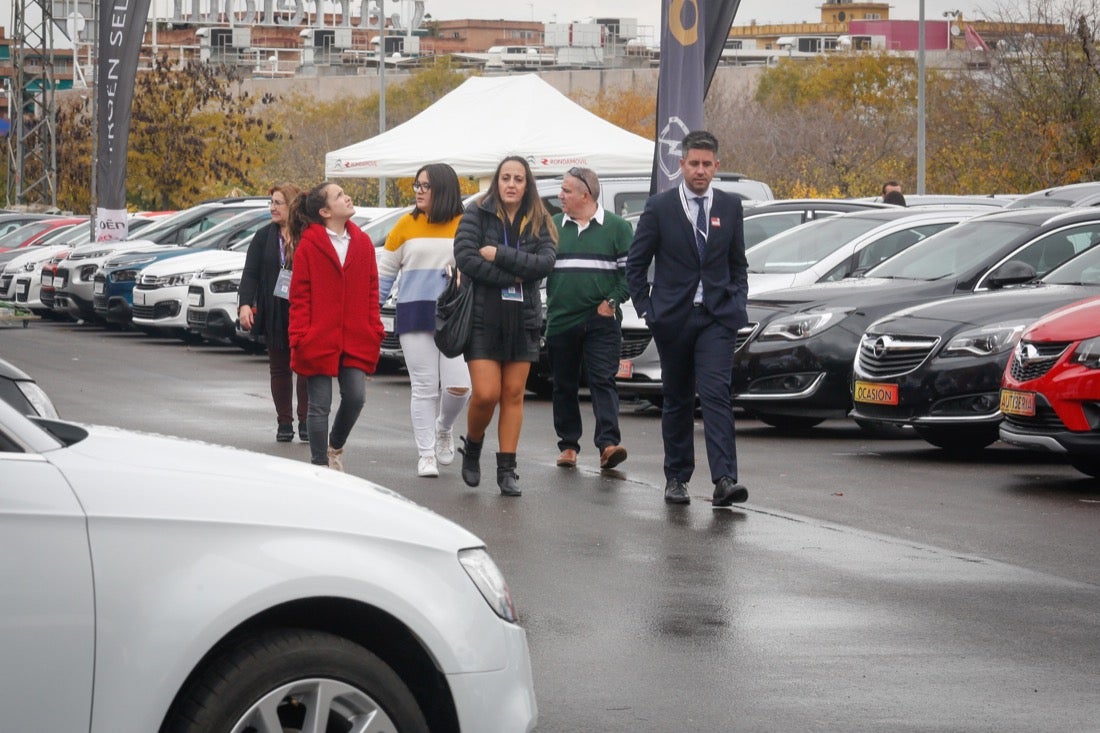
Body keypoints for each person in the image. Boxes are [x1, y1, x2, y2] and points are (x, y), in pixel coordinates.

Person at [626, 130, 750, 507]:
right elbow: (636, 263)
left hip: (716, 318)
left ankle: (725, 480)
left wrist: (736, 302)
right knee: (678, 398)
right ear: (681, 165)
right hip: (673, 318)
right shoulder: (660, 207)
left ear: (717, 166)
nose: (700, 171)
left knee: (715, 395)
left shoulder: (729, 207)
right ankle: (676, 478)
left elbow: (737, 264)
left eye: (706, 164)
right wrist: (648, 310)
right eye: (693, 164)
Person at [453, 156, 557, 496]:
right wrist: (516, 274)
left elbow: (544, 263)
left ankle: (507, 469)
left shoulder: (540, 218)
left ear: (527, 184)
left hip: (523, 317)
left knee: (513, 395)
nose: (512, 184)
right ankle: (473, 444)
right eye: (506, 178)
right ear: (497, 181)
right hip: (483, 317)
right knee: (486, 394)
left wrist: (499, 255)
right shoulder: (476, 212)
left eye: (519, 179)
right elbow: (466, 258)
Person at [377, 164, 471, 478]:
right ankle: (426, 454)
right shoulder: (405, 224)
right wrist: (371, 314)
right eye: (417, 185)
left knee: (460, 387)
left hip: (455, 316)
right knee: (424, 388)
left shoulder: (466, 225)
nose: (418, 190)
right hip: (414, 314)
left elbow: (477, 270)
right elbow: (384, 275)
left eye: (425, 186)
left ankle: (444, 427)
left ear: (443, 189)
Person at [288, 181, 385, 470]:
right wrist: (301, 336)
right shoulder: (309, 245)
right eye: (339, 195)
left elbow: (371, 289)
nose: (347, 197)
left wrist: (374, 329)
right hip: (318, 337)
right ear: (325, 211)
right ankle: (319, 465)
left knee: (355, 397)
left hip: (356, 337)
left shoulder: (363, 243)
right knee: (319, 406)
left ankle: (335, 447)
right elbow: (300, 296)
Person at [546, 166, 632, 471]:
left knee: (602, 380)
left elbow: (630, 275)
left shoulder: (618, 228)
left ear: (586, 194)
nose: (560, 196)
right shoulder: (553, 226)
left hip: (601, 320)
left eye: (566, 190)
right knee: (564, 384)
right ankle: (568, 446)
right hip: (561, 319)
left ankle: (608, 444)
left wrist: (612, 302)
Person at [238, 183, 309, 443]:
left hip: (304, 310)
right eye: (271, 203)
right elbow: (250, 274)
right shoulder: (263, 237)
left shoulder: (308, 234)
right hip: (274, 310)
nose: (272, 208)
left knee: (306, 367)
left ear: (291, 205)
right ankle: (284, 422)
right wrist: (245, 304)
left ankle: (305, 421)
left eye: (278, 202)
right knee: (279, 368)